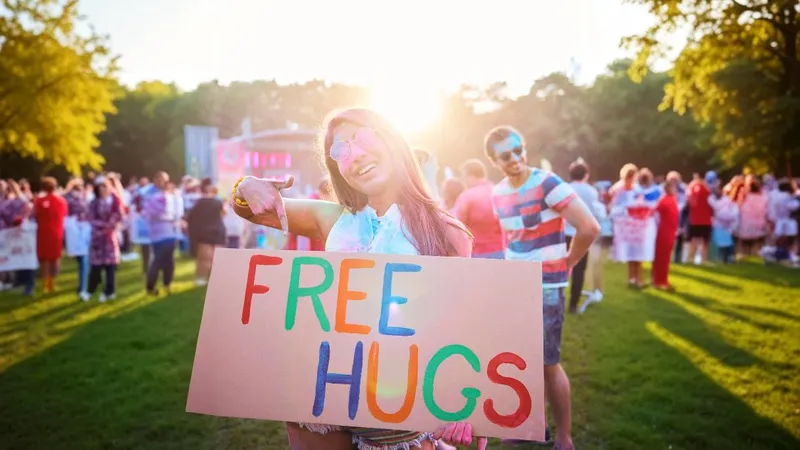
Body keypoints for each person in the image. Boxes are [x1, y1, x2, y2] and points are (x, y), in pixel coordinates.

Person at [232, 107, 484, 450]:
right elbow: (250, 208)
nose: (355, 153)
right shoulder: (332, 219)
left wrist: (463, 398)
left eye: (364, 136)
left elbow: (460, 325)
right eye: (340, 150)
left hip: (397, 405)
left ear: (392, 140)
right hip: (326, 390)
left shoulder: (446, 232)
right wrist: (246, 186)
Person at [483, 126, 599, 450]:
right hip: (514, 287)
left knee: (549, 363)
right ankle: (530, 427)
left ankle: (564, 437)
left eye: (519, 149)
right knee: (522, 362)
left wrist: (569, 261)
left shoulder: (548, 183)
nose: (517, 157)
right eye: (506, 154)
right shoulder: (498, 193)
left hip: (547, 285)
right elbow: (511, 238)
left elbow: (589, 227)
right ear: (494, 160)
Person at [564, 159, 603, 313]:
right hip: (582, 234)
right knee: (579, 270)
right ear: (586, 175)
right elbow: (595, 213)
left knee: (559, 269)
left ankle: (555, 301)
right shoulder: (591, 191)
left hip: (564, 233)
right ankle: (573, 305)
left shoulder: (564, 189)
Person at [452, 159, 505, 259]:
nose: (463, 181)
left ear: (470, 176)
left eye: (463, 177)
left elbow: (456, 226)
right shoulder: (500, 192)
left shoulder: (466, 197)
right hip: (502, 252)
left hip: (477, 253)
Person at [84, 177, 123, 302]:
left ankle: (109, 291)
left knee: (110, 266)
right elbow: (90, 217)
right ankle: (90, 290)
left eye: (104, 186)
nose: (102, 189)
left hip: (110, 237)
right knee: (96, 267)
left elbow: (119, 215)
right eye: (100, 187)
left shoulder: (115, 200)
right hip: (97, 238)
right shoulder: (94, 202)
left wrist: (109, 225)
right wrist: (102, 226)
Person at [142, 171, 182, 295]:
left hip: (170, 232)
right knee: (158, 260)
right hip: (157, 233)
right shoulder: (150, 195)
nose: (161, 182)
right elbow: (150, 213)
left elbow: (177, 212)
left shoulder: (171, 195)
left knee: (169, 260)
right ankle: (150, 287)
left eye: (164, 180)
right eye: (159, 179)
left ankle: (167, 283)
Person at [187, 178, 225, 286]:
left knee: (205, 258)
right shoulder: (217, 202)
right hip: (215, 231)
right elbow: (223, 214)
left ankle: (202, 280)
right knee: (213, 257)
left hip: (205, 232)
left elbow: (191, 218)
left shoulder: (198, 203)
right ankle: (207, 279)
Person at [33, 177, 68, 293]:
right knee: (55, 257)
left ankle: (46, 284)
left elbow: (36, 215)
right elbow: (64, 214)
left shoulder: (39, 201)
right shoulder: (61, 201)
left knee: (44, 258)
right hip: (57, 232)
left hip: (43, 232)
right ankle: (53, 283)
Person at [652, 179, 680, 290]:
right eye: (672, 188)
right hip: (664, 231)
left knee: (666, 257)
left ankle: (663, 280)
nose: (674, 190)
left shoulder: (672, 199)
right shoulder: (664, 200)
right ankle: (659, 281)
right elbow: (654, 212)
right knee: (661, 257)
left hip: (671, 231)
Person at [686, 171, 716, 264]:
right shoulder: (708, 191)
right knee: (705, 242)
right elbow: (713, 206)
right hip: (705, 220)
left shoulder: (692, 188)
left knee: (693, 240)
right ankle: (703, 260)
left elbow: (690, 202)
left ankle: (690, 259)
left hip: (694, 220)